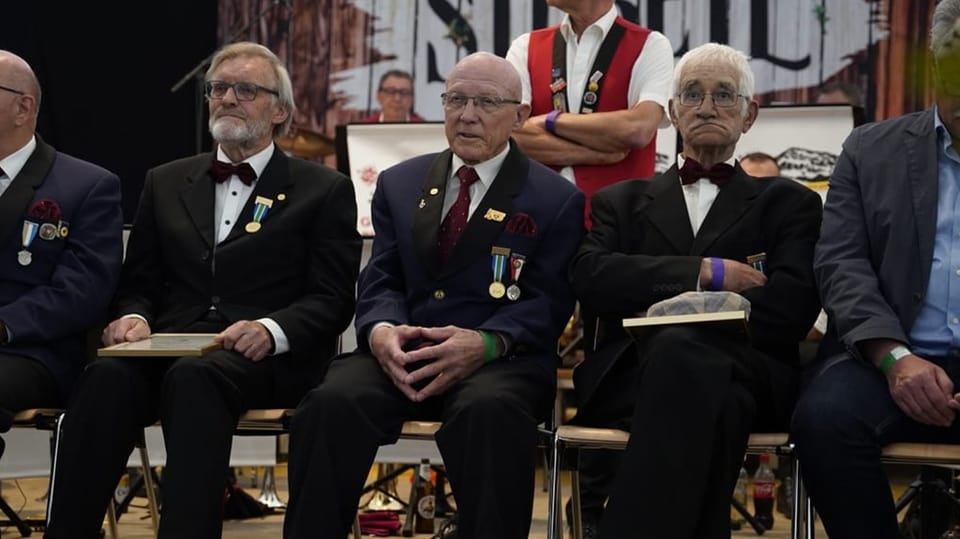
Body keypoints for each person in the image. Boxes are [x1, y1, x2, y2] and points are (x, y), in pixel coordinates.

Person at [43, 41, 362, 539]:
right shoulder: (166, 181)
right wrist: (134, 318)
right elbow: (138, 284)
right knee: (104, 378)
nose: (227, 98)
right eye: (218, 88)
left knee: (196, 380)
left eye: (246, 89)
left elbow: (333, 298)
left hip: (266, 359)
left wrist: (270, 329)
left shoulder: (323, 189)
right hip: (169, 347)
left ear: (280, 110)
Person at [283, 51, 585, 539]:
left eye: (486, 102)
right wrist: (381, 331)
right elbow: (381, 279)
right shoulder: (399, 183)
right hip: (402, 351)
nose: (467, 115)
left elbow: (549, 302)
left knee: (490, 414)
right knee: (329, 404)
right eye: (456, 100)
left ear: (520, 116)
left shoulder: (554, 199)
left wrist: (485, 343)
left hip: (498, 361)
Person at [569, 43, 822, 538]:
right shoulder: (619, 202)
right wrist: (705, 274)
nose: (707, 107)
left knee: (682, 351)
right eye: (692, 94)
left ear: (749, 115)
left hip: (752, 372)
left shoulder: (789, 204)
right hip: (638, 378)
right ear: (672, 112)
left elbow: (792, 308)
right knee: (716, 403)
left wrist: (662, 300)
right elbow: (591, 278)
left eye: (724, 95)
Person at [791, 1, 960, 537]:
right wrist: (896, 359)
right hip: (885, 357)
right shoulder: (869, 149)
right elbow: (841, 263)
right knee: (823, 421)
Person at [0, 50, 123, 461]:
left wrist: (3, 325)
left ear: (24, 106)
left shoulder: (85, 185)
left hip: (30, 350)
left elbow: (81, 292)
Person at [505, 0, 674, 227]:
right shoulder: (525, 46)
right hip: (534, 222)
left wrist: (551, 120)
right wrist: (598, 154)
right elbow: (508, 132)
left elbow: (638, 129)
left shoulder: (651, 45)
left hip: (619, 227)